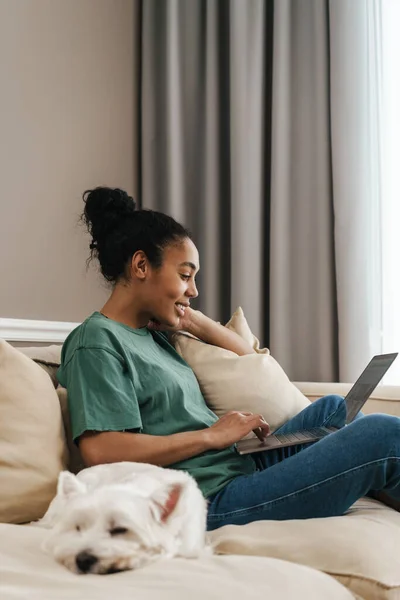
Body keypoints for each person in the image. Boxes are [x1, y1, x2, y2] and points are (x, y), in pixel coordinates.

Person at [58, 187, 400, 530]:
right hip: (211, 498)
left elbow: (249, 357)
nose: (193, 291)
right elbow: (102, 451)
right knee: (381, 432)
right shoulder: (96, 341)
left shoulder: (154, 336)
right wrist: (213, 435)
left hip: (240, 466)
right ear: (141, 265)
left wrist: (190, 319)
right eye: (185, 275)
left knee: (333, 409)